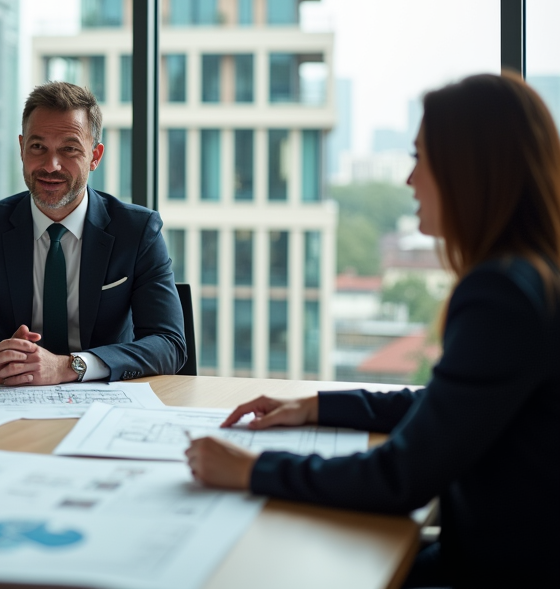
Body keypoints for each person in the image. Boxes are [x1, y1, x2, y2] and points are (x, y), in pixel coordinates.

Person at [185, 72, 559, 589]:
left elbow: (399, 477)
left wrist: (251, 469)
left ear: (467, 170)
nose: (410, 181)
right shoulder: (535, 274)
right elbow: (445, 406)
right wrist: (317, 405)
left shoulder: (502, 294)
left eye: (420, 158)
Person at [0, 81, 186, 385]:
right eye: (38, 147)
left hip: (106, 405)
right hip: (12, 404)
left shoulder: (138, 231)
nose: (51, 165)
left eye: (69, 149)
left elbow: (168, 343)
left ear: (95, 156)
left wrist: (69, 366)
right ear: (22, 149)